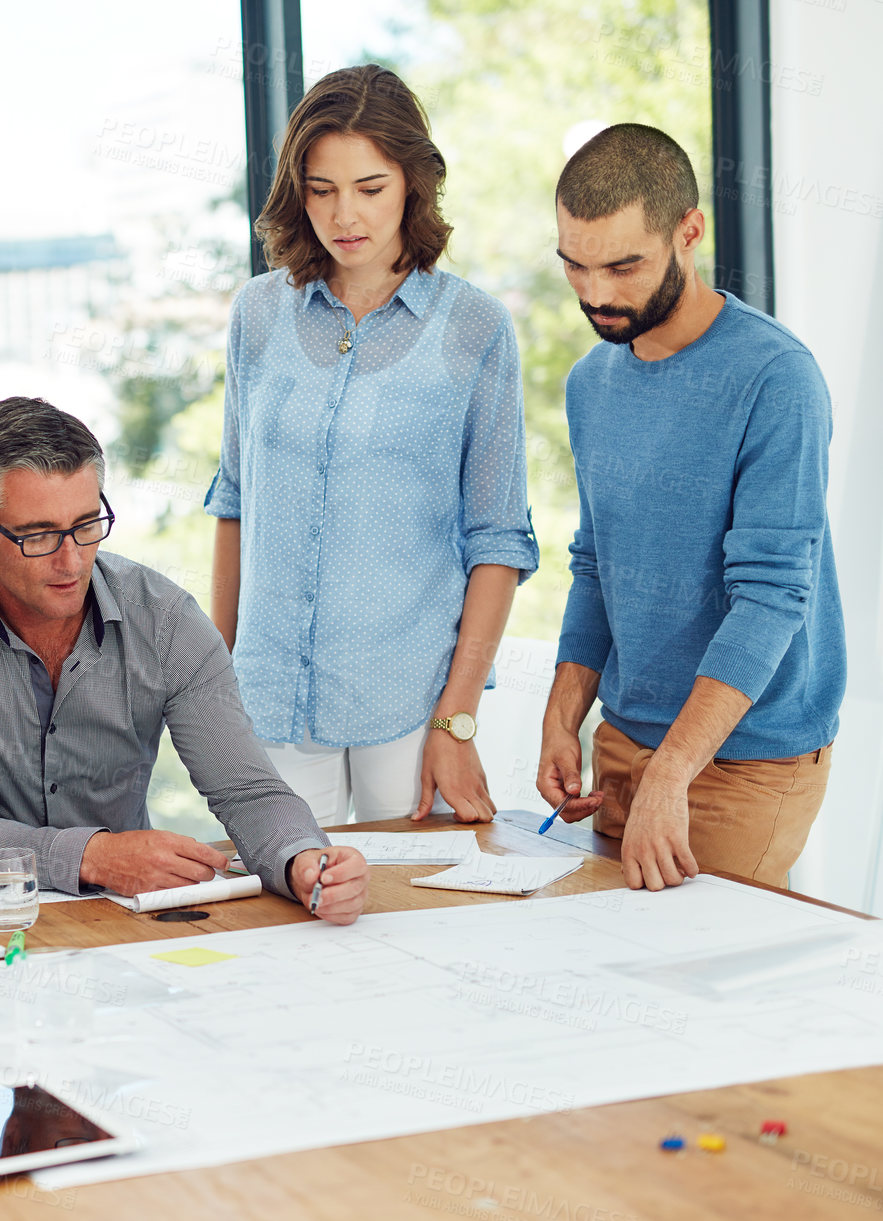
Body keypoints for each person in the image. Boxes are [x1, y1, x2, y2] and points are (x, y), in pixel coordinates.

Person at [0, 397, 369, 924]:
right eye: (38, 535)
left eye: (87, 524)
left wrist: (304, 863)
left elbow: (245, 790)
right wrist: (95, 857)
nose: (72, 560)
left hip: (119, 912)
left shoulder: (166, 619)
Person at [207, 64, 538, 827]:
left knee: (410, 921)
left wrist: (456, 719)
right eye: (320, 189)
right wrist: (215, 683)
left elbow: (498, 540)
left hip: (410, 702)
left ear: (412, 184)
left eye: (369, 187)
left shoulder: (474, 329)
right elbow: (234, 504)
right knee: (281, 920)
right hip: (268, 698)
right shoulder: (256, 314)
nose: (342, 214)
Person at [537, 124, 844, 891]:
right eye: (574, 266)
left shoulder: (775, 378)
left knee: (702, 998)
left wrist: (672, 771)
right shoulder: (589, 383)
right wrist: (561, 711)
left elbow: (771, 596)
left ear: (689, 232)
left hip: (744, 762)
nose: (597, 294)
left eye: (622, 265)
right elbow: (595, 564)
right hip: (624, 749)